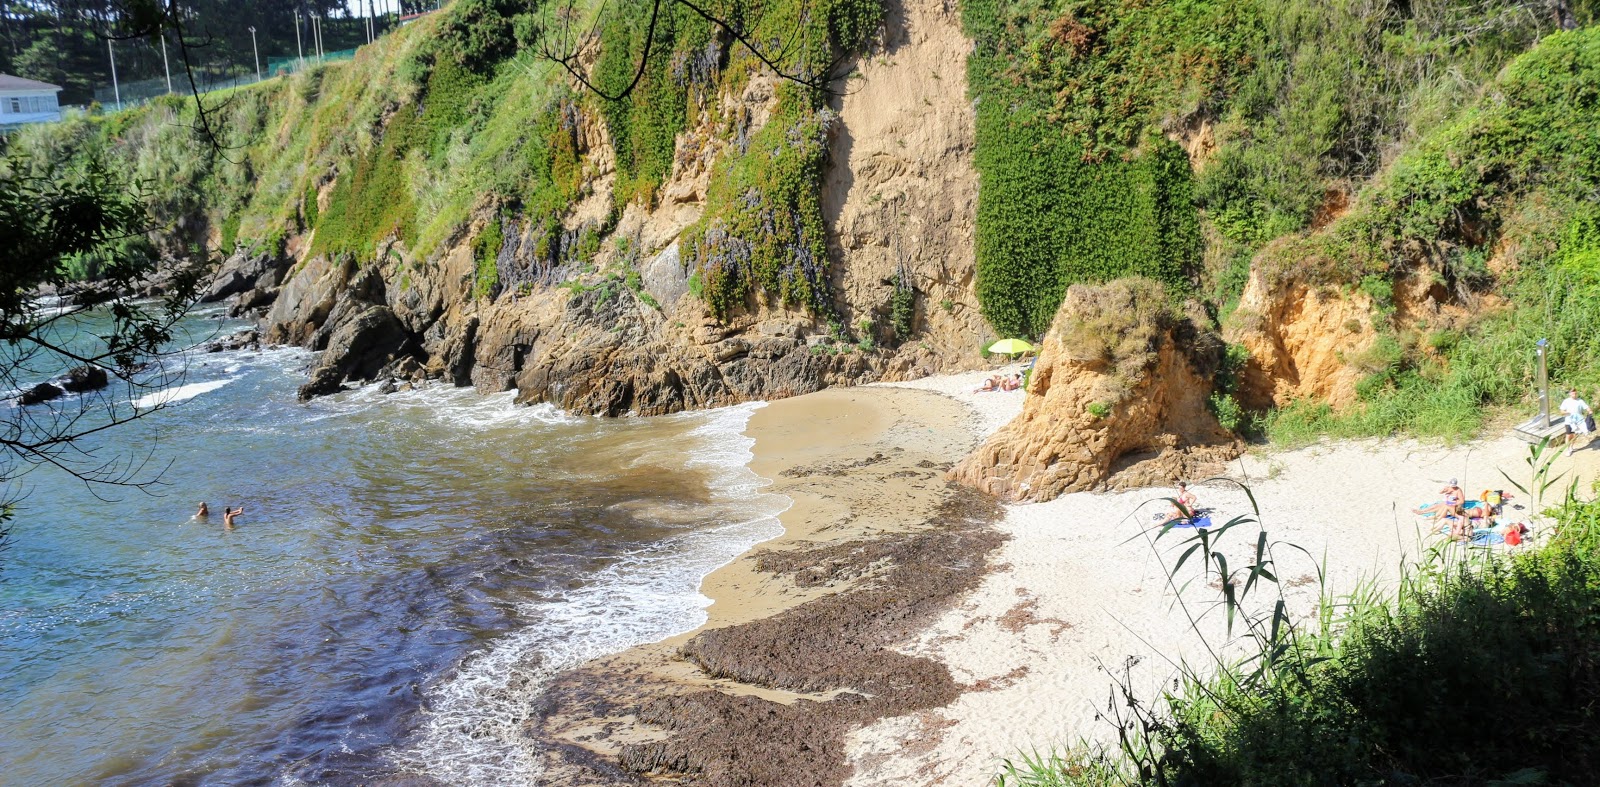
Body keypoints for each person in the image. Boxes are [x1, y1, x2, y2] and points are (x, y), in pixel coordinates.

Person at [1560, 387, 1593, 456]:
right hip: (1569, 421)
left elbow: (1586, 407)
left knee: (1574, 435)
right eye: (1572, 393)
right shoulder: (1566, 401)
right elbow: (1561, 411)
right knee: (1568, 435)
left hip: (1578, 421)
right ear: (1569, 394)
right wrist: (1567, 412)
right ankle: (1568, 449)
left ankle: (1571, 447)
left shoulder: (1580, 401)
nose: (1574, 394)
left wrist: (1589, 410)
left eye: (1575, 393)